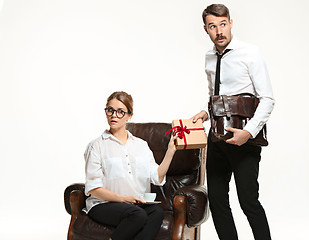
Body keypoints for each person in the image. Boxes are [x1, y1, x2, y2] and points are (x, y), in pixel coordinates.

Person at [192, 4, 275, 240]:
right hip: (217, 138)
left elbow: (267, 99)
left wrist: (247, 133)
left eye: (222, 24)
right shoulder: (209, 57)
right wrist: (207, 113)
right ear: (206, 29)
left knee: (248, 201)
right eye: (212, 26)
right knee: (217, 202)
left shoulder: (250, 53)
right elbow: (215, 95)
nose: (219, 31)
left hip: (244, 139)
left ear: (230, 23)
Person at [84, 91, 177, 240]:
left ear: (129, 115)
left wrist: (170, 152)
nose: (114, 115)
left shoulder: (141, 145)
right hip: (103, 204)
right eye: (110, 110)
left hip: (134, 205)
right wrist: (123, 199)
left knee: (157, 212)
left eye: (121, 112)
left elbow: (156, 177)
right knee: (137, 215)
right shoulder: (97, 146)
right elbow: (93, 188)